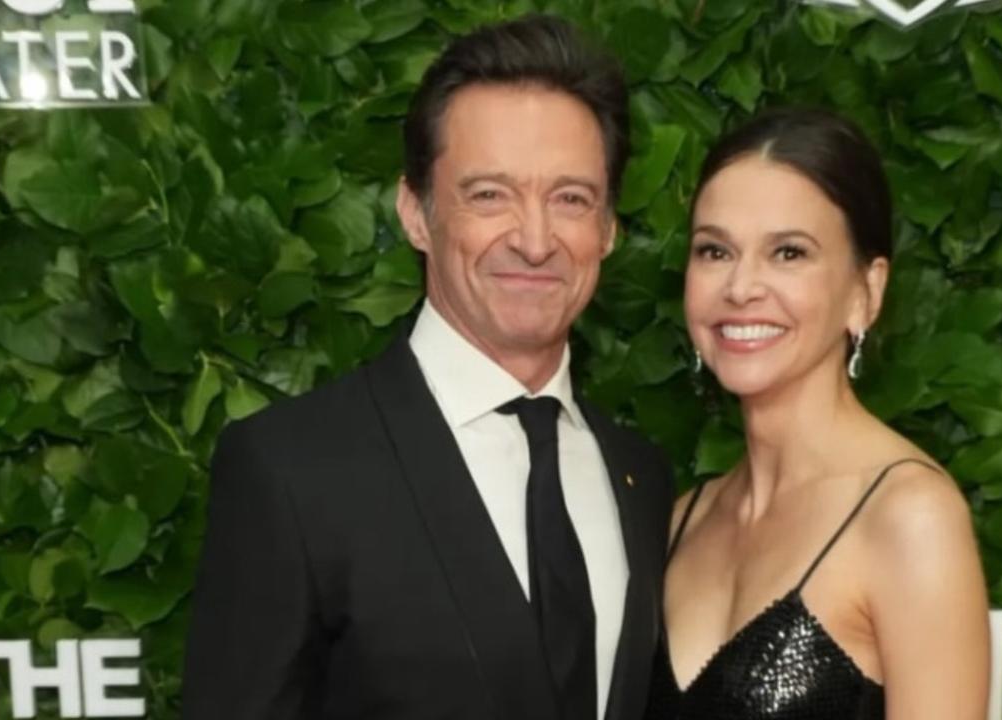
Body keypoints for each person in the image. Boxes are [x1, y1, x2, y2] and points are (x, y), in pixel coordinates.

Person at [182, 16, 674, 720]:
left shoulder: (640, 477)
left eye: (570, 198)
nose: (535, 240)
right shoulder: (289, 472)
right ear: (416, 213)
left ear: (607, 229)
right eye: (489, 194)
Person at [646, 109, 990, 719]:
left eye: (788, 253)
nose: (741, 287)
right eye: (715, 251)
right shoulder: (682, 521)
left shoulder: (910, 517)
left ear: (866, 291)